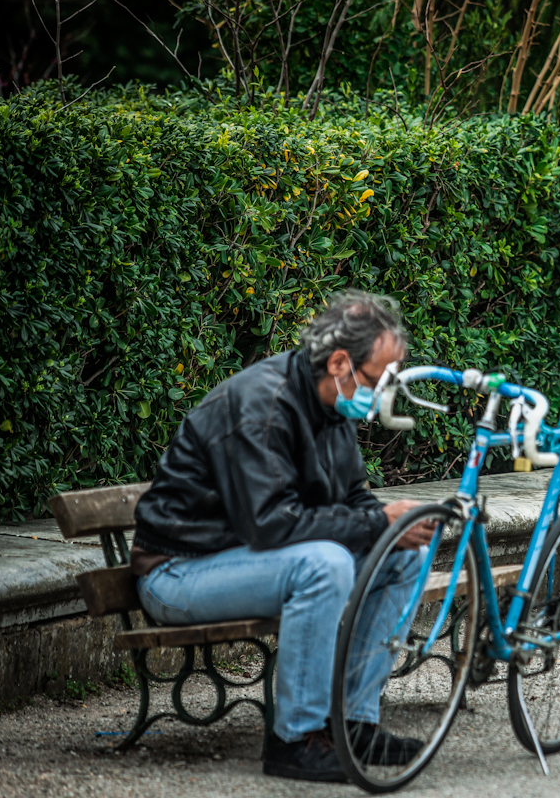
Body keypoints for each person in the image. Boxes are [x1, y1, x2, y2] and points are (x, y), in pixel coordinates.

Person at [130, 290, 433, 782]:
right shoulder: (261, 404)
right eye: (380, 380)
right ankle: (296, 738)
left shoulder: (332, 404)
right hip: (177, 573)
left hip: (248, 562)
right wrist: (380, 521)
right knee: (326, 564)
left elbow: (354, 497)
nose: (384, 394)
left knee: (401, 558)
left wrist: (393, 523)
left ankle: (352, 726)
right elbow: (272, 525)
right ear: (340, 362)